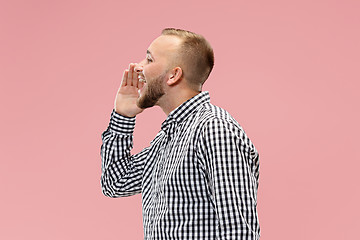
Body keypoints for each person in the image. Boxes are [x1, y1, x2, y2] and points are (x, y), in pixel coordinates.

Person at [100, 28, 260, 240]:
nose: (138, 66)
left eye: (149, 59)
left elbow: (239, 233)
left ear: (174, 75)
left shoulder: (214, 129)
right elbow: (115, 182)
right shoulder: (167, 137)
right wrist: (123, 116)